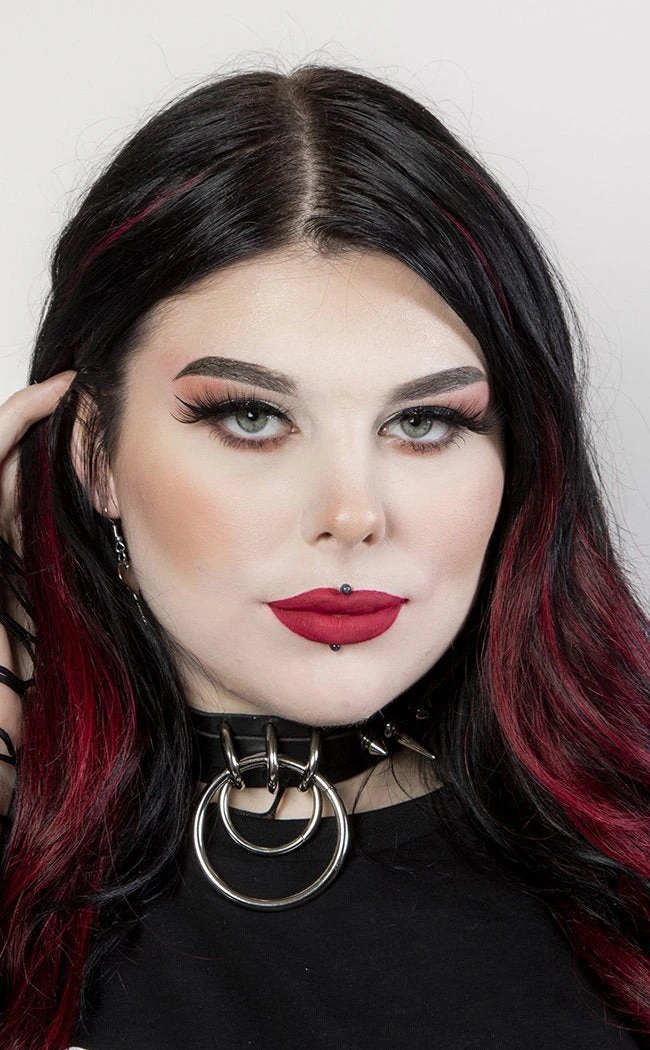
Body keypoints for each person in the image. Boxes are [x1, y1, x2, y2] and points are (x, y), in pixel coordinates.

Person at [0, 62, 647, 1050]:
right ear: (96, 455)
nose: (352, 514)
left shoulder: (622, 848)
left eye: (424, 421)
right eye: (253, 417)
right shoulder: (25, 861)